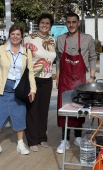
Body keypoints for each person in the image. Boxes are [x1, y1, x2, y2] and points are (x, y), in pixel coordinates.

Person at [56, 13, 97, 154]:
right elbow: (58, 59)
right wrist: (57, 77)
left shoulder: (87, 39)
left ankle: (78, 137)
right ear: (66, 23)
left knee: (80, 109)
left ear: (79, 23)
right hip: (65, 79)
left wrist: (92, 76)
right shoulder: (61, 39)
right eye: (69, 22)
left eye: (74, 22)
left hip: (81, 79)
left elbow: (92, 57)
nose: (71, 24)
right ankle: (64, 139)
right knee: (64, 109)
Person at [0, 24, 36, 155]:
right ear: (9, 35)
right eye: (13, 34)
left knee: (19, 117)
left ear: (22, 37)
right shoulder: (1, 49)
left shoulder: (26, 52)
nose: (15, 37)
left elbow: (30, 72)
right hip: (3, 89)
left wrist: (33, 90)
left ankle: (20, 144)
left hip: (19, 89)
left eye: (18, 34)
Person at [24, 13, 56, 152]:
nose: (44, 25)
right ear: (38, 23)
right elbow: (25, 59)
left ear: (50, 25)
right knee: (32, 110)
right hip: (32, 79)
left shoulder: (51, 39)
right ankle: (32, 140)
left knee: (43, 110)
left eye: (47, 23)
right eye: (42, 22)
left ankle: (42, 137)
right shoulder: (29, 38)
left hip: (47, 79)